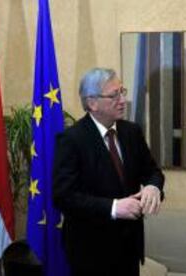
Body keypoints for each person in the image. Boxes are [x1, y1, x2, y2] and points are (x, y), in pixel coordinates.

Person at [52, 68, 164, 276]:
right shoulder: (72, 139)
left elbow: (152, 171)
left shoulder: (131, 132)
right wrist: (113, 207)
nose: (123, 100)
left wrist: (153, 186)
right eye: (114, 95)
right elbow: (63, 196)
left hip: (129, 247)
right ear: (92, 103)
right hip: (91, 252)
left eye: (123, 91)